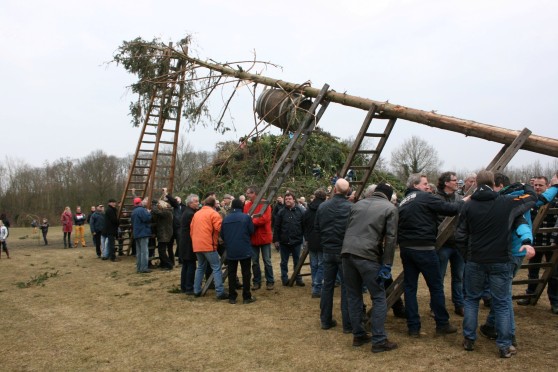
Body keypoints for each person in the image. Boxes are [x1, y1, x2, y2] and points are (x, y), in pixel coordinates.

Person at [455, 170, 536, 358]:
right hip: (501, 260)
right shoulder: (506, 203)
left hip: (475, 260)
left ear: (475, 184)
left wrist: (467, 255)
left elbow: (460, 235)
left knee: (472, 299)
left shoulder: (469, 205)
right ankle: (505, 345)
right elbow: (531, 198)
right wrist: (525, 186)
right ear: (493, 183)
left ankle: (469, 339)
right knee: (502, 303)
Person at [398, 173, 465, 337]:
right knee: (436, 287)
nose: (428, 187)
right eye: (425, 183)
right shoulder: (424, 197)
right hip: (424, 248)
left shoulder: (403, 201)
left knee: (410, 288)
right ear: (415, 185)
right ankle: (442, 323)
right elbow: (451, 209)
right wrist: (467, 200)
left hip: (406, 249)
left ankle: (413, 327)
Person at [341, 182, 399, 352]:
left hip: (347, 253)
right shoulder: (390, 208)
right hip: (368, 256)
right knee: (379, 297)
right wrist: (387, 264)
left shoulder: (357, 205)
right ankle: (379, 340)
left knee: (353, 296)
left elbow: (348, 229)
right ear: (388, 196)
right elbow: (391, 239)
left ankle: (358, 335)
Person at [315, 179, 352, 332]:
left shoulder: (323, 207)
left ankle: (325, 320)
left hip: (328, 250)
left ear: (335, 190)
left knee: (327, 286)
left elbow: (317, 228)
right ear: (347, 191)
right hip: (343, 251)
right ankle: (347, 324)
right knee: (346, 287)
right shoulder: (352, 207)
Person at [517, 174, 558, 311]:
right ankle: (529, 295)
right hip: (535, 242)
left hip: (551, 243)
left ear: (547, 186)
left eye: (541, 185)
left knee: (554, 274)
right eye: (536, 185)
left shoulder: (555, 200)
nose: (538, 187)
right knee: (533, 270)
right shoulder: (531, 201)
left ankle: (555, 302)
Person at [434, 172, 465, 316]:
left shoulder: (460, 197)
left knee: (459, 277)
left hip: (458, 244)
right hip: (443, 245)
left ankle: (459, 305)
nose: (457, 182)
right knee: (439, 277)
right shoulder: (436, 199)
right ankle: (436, 307)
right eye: (454, 180)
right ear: (446, 183)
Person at [191, 196, 228, 300]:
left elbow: (191, 229)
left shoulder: (197, 214)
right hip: (208, 245)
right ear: (213, 205)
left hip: (197, 245)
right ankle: (220, 292)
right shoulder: (213, 214)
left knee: (200, 267)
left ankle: (196, 290)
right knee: (216, 267)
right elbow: (220, 228)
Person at [221, 198, 256, 304]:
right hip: (244, 248)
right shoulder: (246, 217)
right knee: (246, 273)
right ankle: (246, 296)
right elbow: (251, 231)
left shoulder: (226, 219)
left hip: (231, 249)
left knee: (232, 273)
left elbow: (222, 234)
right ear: (241, 206)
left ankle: (232, 297)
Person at [243, 186, 275, 291]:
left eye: (248, 193)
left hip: (264, 237)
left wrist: (252, 221)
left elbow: (265, 219)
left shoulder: (265, 204)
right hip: (253, 238)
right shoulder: (247, 205)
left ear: (254, 193)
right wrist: (253, 220)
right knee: (255, 261)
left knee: (267, 260)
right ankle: (256, 282)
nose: (247, 195)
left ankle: (270, 281)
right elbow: (245, 218)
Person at [273, 192, 305, 287]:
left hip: (296, 241)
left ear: (294, 199)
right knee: (284, 262)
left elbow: (304, 226)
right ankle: (284, 279)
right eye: (286, 199)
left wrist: (305, 238)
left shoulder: (300, 211)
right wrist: (276, 240)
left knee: (297, 261)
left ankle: (298, 279)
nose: (287, 200)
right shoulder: (281, 212)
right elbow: (277, 227)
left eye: (289, 199)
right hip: (284, 241)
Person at [303, 188, 327, 298]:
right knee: (322, 264)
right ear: (324, 197)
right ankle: (317, 288)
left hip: (311, 239)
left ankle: (314, 284)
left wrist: (307, 236)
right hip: (322, 239)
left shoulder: (308, 209)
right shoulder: (325, 208)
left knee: (314, 264)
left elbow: (303, 222)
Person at [179, 194, 199, 294]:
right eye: (196, 201)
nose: (198, 203)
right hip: (188, 243)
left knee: (186, 265)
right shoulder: (190, 214)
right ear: (190, 203)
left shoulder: (187, 211)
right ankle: (189, 288)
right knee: (191, 265)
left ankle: (184, 286)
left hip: (184, 242)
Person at [131, 197, 152, 273]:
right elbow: (147, 219)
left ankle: (139, 267)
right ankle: (144, 268)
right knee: (144, 251)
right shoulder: (142, 210)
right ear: (140, 203)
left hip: (136, 233)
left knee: (139, 252)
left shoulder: (133, 211)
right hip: (143, 233)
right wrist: (148, 213)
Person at [152, 200, 174, 270]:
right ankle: (164, 264)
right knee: (161, 250)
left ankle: (169, 264)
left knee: (161, 251)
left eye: (159, 204)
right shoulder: (167, 212)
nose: (158, 206)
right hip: (164, 233)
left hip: (165, 234)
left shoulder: (167, 212)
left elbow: (157, 212)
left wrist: (154, 206)